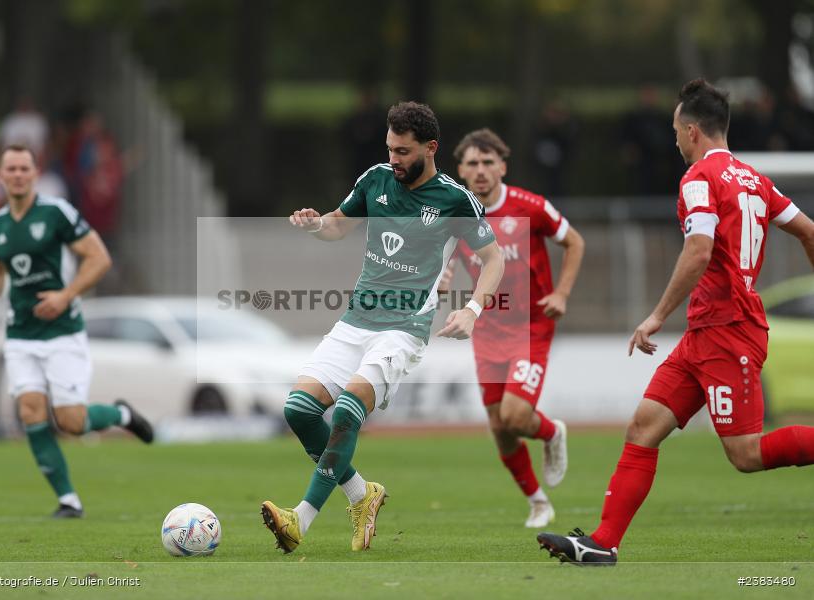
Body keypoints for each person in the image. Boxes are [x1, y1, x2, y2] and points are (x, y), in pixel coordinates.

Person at [537, 79, 814, 565]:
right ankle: (603, 543)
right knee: (643, 427)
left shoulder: (699, 179)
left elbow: (699, 249)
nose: (675, 140)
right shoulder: (754, 179)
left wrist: (656, 315)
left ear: (691, 131)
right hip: (706, 332)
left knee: (745, 454)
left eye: (675, 131)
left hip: (729, 331)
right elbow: (808, 231)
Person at [261, 101, 504, 553]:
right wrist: (316, 224)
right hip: (356, 320)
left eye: (404, 151)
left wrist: (471, 309)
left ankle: (301, 520)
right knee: (298, 410)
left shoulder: (455, 199)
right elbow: (339, 226)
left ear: (431, 148)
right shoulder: (375, 179)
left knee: (349, 411)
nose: (394, 159)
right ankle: (361, 495)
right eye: (390, 148)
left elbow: (495, 259)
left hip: (404, 328)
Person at [0, 144, 154, 518]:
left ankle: (120, 415)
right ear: (1, 176)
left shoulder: (56, 213)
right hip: (20, 334)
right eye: (12, 169)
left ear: (36, 173)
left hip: (62, 331)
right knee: (30, 412)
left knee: (70, 421)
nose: (18, 174)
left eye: (25, 168)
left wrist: (65, 295)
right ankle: (68, 499)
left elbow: (99, 257)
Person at [441, 128, 585, 528]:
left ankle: (552, 432)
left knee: (516, 416)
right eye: (473, 163)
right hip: (486, 327)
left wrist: (562, 294)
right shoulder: (457, 213)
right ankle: (539, 502)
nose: (481, 170)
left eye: (489, 162)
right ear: (461, 171)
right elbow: (446, 250)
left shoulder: (530, 207)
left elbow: (575, 242)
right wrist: (444, 275)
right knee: (499, 428)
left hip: (530, 326)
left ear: (502, 167)